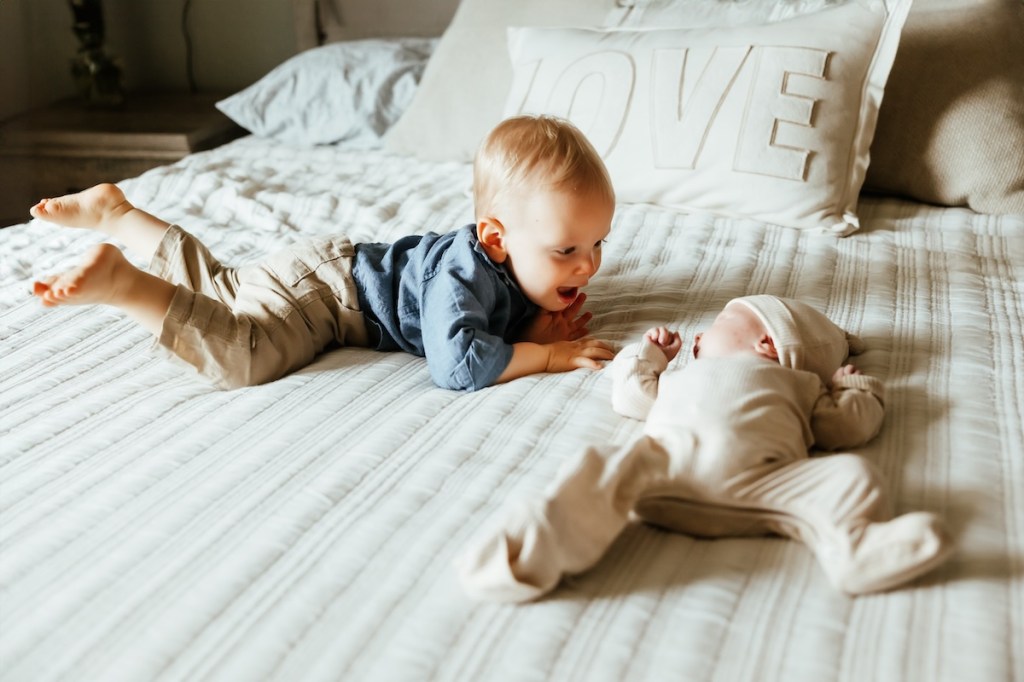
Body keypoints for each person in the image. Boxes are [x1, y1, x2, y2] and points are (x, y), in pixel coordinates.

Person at [29, 115, 616, 391]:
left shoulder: (500, 262)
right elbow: (456, 363)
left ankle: (119, 215)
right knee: (247, 352)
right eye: (566, 249)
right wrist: (546, 357)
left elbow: (495, 318)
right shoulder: (464, 276)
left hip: (324, 266)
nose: (588, 265)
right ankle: (126, 286)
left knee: (224, 287)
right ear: (495, 238)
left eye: (596, 244)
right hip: (328, 298)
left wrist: (533, 326)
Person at [456, 295, 954, 601]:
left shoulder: (800, 386)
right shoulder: (685, 378)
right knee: (597, 465)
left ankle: (855, 551)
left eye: (716, 323)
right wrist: (650, 355)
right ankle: (531, 553)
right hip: (665, 469)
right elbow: (630, 393)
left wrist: (855, 391)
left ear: (765, 344)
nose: (698, 335)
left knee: (852, 477)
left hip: (760, 483)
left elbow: (844, 429)